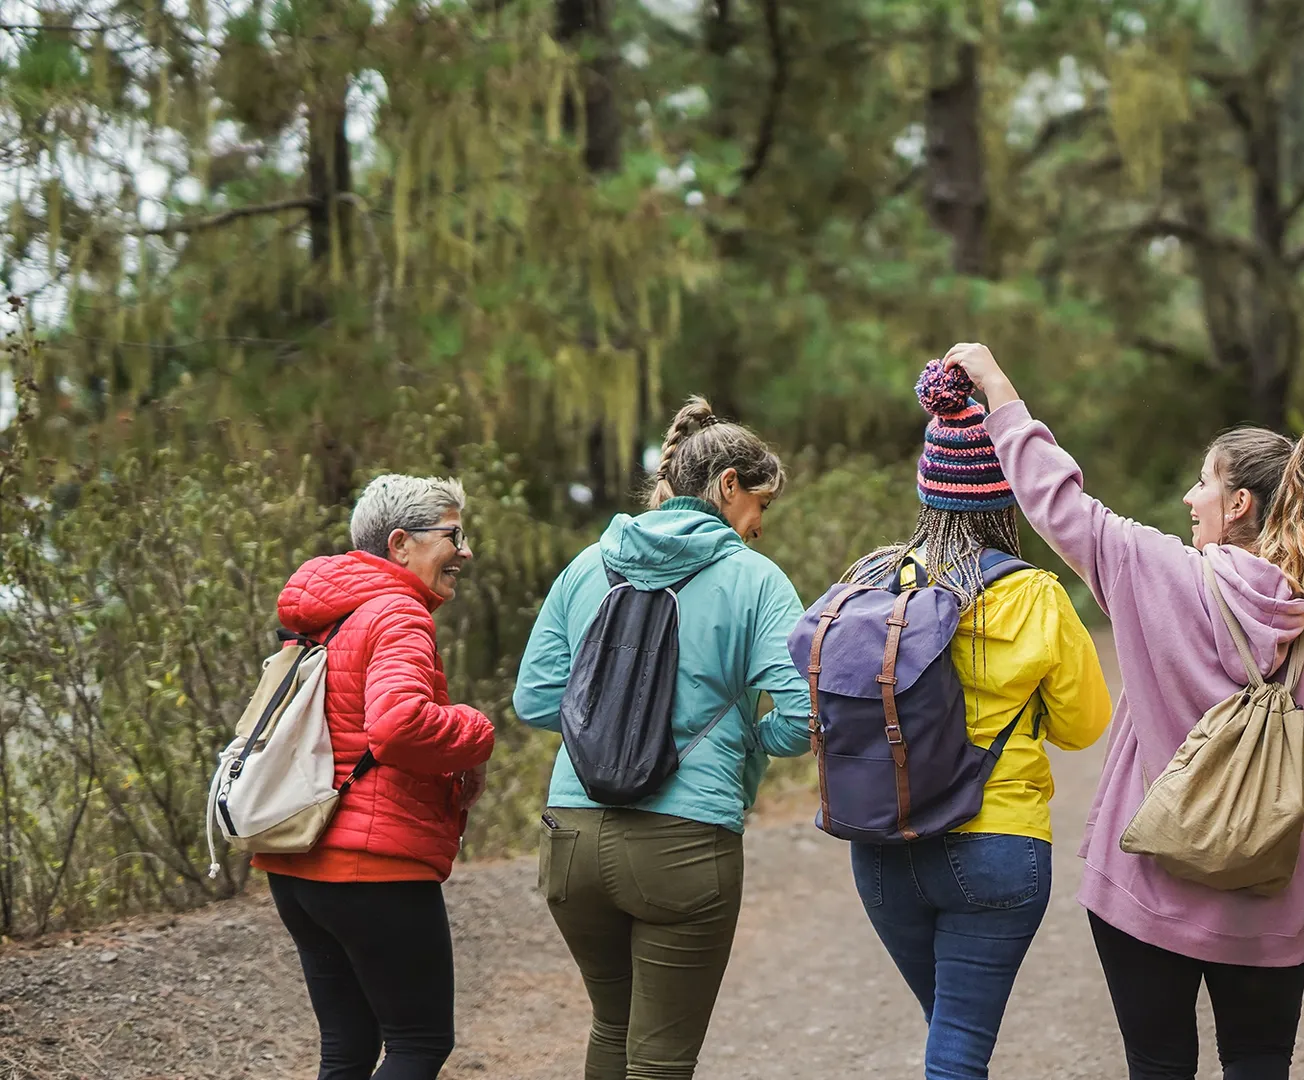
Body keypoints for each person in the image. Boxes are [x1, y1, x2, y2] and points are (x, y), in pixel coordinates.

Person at [942, 343, 1304, 1080]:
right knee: (1261, 1063)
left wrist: (997, 385)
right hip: (1271, 898)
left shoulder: (1156, 572)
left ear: (1238, 504)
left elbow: (1055, 499)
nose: (1189, 498)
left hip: (1145, 888)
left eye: (1204, 482)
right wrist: (1266, 816)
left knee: (1158, 1065)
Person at [513, 397, 814, 1080]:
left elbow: (533, 698)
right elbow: (804, 714)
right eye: (760, 505)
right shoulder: (754, 580)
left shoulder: (587, 565)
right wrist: (748, 740)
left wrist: (604, 724)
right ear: (728, 486)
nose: (759, 527)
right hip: (685, 843)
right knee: (661, 1058)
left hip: (572, 839)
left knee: (611, 1027)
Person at [837, 362, 1112, 1080]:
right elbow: (1085, 725)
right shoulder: (1035, 595)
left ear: (928, 488)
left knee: (952, 1036)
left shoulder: (872, 580)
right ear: (1007, 498)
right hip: (997, 846)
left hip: (883, 839)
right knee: (959, 1045)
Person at [263, 474, 498, 1080]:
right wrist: (475, 730)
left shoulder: (320, 615)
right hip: (373, 865)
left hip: (297, 860)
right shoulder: (397, 613)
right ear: (400, 544)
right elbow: (396, 728)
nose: (465, 551)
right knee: (419, 1042)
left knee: (346, 1048)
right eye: (453, 535)